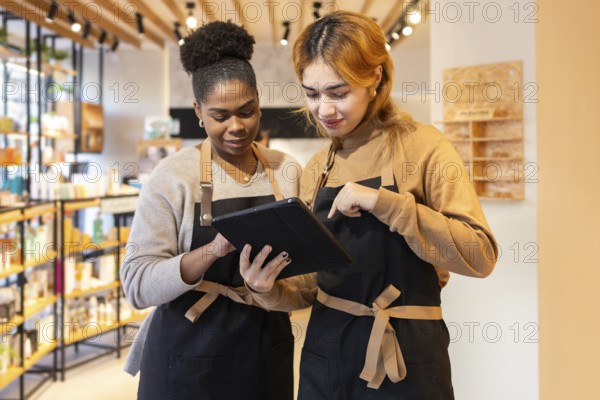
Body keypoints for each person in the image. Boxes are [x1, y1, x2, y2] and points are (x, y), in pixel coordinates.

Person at [240, 10, 498, 399]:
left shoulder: (425, 148)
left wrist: (389, 205)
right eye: (312, 94)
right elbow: (312, 285)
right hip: (325, 354)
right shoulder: (317, 170)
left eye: (338, 92)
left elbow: (479, 256)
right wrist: (268, 289)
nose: (324, 109)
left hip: (406, 356)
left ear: (375, 78)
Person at [121, 21, 299, 400]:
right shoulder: (173, 177)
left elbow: (307, 279)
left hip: (265, 354)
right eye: (220, 116)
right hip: (186, 355)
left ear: (259, 104)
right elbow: (136, 284)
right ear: (199, 112)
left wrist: (268, 289)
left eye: (247, 111)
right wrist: (211, 252)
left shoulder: (286, 171)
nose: (236, 127)